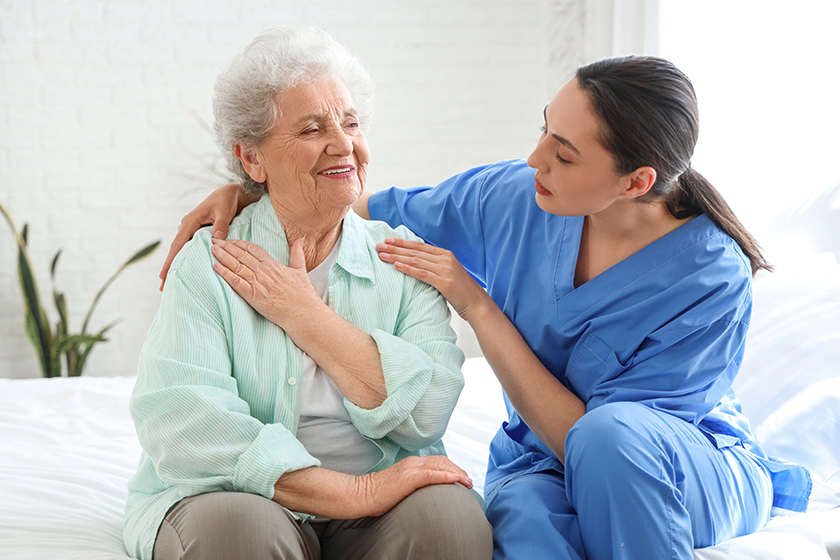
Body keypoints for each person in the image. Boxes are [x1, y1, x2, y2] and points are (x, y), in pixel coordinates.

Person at [161, 55, 812, 559]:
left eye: (563, 152)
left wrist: (478, 306)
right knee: (517, 521)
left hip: (679, 471)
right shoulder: (515, 196)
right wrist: (252, 187)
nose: (534, 160)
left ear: (635, 183)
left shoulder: (710, 277)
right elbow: (360, 201)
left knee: (610, 438)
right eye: (544, 131)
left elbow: (597, 446)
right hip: (541, 463)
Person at [124, 27, 492, 560]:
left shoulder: (403, 258)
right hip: (242, 498)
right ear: (253, 160)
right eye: (312, 128)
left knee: (452, 523)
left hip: (384, 502)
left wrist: (305, 316)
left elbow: (426, 415)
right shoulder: (210, 261)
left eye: (350, 122)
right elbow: (186, 423)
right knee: (239, 536)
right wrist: (354, 492)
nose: (343, 144)